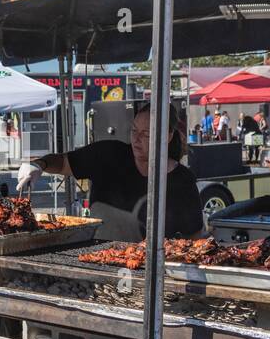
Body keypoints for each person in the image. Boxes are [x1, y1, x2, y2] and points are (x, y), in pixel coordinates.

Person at [17, 103, 203, 242]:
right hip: (99, 257)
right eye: (134, 130)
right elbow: (63, 162)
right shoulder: (109, 154)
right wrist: (39, 165)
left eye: (146, 134)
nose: (136, 139)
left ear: (168, 136)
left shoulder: (182, 181)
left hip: (149, 270)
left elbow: (194, 236)